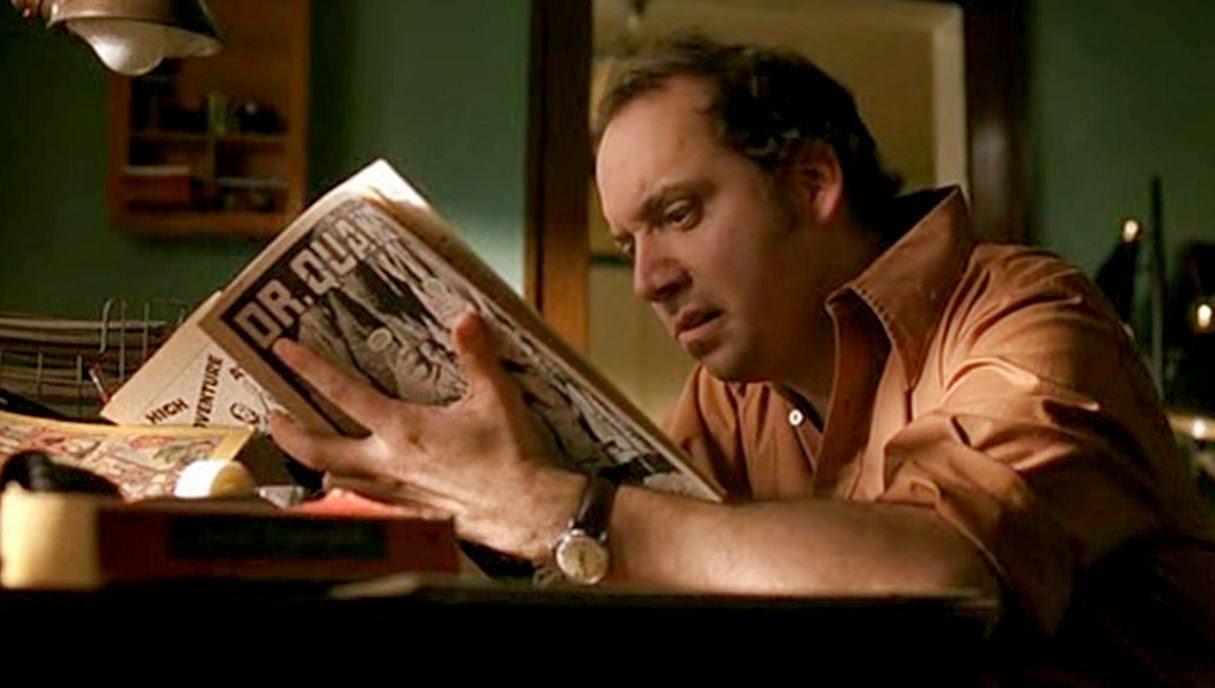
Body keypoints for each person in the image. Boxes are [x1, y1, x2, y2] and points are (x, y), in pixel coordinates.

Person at [269, 34, 1213, 681]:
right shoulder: (730, 398)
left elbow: (944, 571)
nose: (648, 279)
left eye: (677, 215)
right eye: (628, 240)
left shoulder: (1027, 310)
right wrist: (449, 500)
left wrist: (558, 508)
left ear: (810, 183)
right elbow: (659, 575)